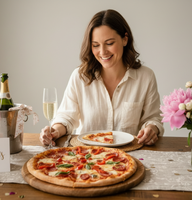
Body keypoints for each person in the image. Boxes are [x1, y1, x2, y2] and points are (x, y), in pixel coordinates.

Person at [40, 9, 164, 146]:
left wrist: (152, 129)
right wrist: (54, 131)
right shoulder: (79, 77)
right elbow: (66, 118)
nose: (103, 52)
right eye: (96, 45)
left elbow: (153, 119)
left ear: (125, 39)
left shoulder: (146, 77)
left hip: (130, 156)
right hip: (87, 157)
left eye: (109, 43)